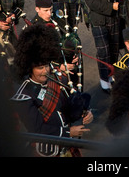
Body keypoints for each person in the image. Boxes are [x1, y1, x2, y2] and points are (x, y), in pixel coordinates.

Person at [11, 23, 93, 157]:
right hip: (46, 152)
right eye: (40, 68)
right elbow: (37, 129)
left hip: (67, 149)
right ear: (29, 68)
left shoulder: (56, 80)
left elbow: (67, 110)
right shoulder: (24, 95)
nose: (45, 71)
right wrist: (68, 132)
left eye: (46, 66)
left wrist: (84, 112)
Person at [80, 0, 121, 93]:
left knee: (115, 49)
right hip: (99, 20)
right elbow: (92, 3)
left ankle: (112, 76)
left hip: (114, 18)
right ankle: (104, 80)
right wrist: (112, 7)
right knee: (104, 51)